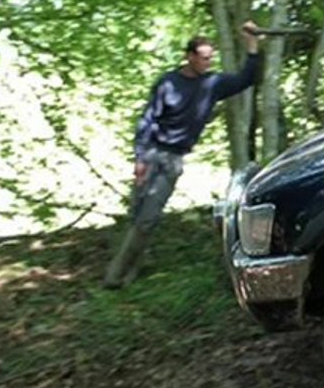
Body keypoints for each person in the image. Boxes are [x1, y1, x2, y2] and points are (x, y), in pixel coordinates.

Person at [103, 21, 262, 289]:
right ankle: (128, 271)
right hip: (153, 153)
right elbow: (148, 120)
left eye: (210, 58)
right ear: (189, 57)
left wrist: (252, 44)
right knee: (138, 215)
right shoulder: (167, 83)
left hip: (174, 160)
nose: (207, 63)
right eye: (203, 58)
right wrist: (140, 158)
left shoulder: (213, 83)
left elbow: (246, 79)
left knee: (148, 218)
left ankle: (114, 278)